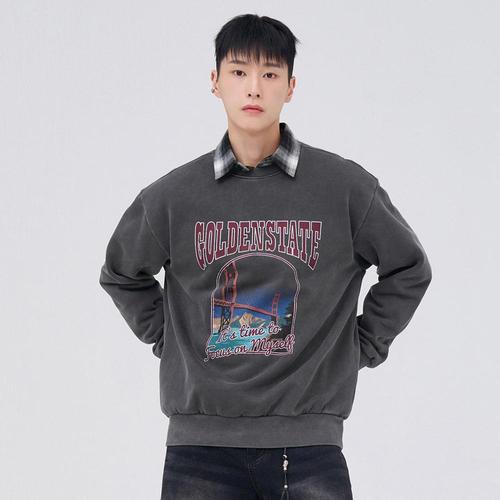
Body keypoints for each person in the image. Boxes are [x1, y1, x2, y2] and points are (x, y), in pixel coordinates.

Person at [99, 13, 432, 500]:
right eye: (239, 72)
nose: (254, 87)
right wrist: (170, 340)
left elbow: (409, 268)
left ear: (290, 86)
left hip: (309, 446)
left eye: (270, 73)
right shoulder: (173, 197)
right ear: (215, 82)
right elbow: (121, 273)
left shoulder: (344, 189)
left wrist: (360, 347)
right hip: (199, 450)